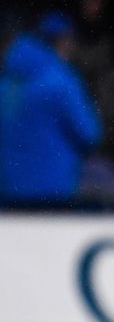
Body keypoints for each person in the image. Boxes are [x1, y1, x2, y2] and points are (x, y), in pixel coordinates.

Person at [0, 11, 102, 206]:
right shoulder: (62, 81)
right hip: (52, 195)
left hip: (7, 195)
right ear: (64, 42)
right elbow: (90, 134)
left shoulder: (6, 83)